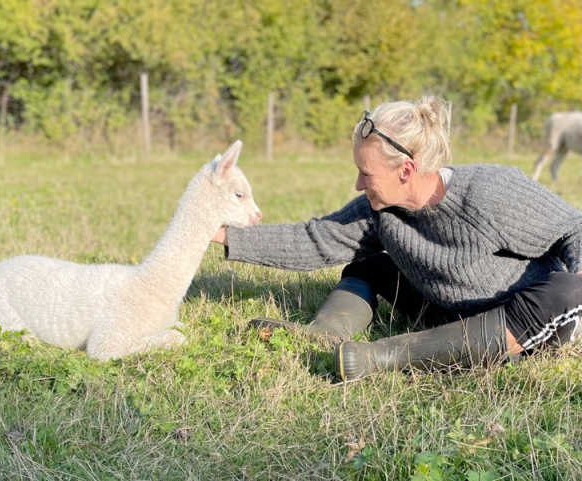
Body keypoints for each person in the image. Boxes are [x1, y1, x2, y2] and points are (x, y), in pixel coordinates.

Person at [212, 97, 582, 381]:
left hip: (525, 325)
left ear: (406, 169)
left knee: (569, 290)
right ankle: (326, 334)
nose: (358, 184)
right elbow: (317, 239)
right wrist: (223, 234)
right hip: (448, 312)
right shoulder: (380, 212)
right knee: (370, 265)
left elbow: (574, 227)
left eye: (366, 173)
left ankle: (380, 357)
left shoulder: (491, 191)